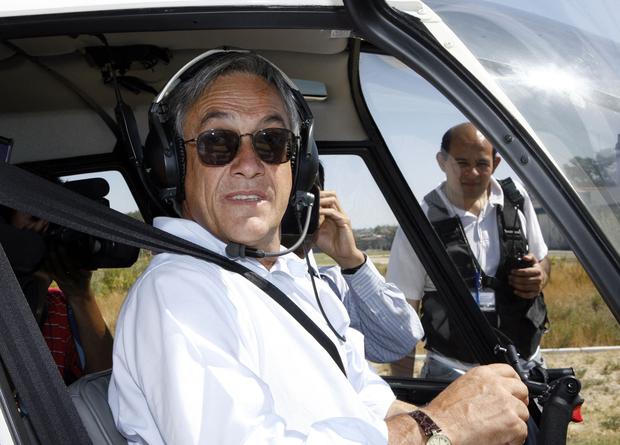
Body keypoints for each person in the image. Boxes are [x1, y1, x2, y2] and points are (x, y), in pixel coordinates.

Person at [109, 52, 529, 445]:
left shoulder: (287, 277)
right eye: (217, 142)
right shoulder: (179, 290)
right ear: (172, 165)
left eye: (271, 141)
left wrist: (473, 417)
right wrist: (443, 425)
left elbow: (370, 400)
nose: (249, 163)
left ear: (299, 163)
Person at [387, 122, 550, 380]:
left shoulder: (517, 200)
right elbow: (402, 313)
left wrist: (539, 275)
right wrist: (406, 390)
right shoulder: (420, 221)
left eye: (482, 164)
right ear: (442, 161)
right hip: (454, 376)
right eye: (461, 163)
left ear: (495, 164)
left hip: (525, 370)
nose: (472, 173)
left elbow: (543, 260)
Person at [287, 162, 424, 363]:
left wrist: (351, 261)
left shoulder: (332, 285)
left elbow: (400, 341)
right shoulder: (232, 280)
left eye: (303, 201)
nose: (293, 213)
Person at [0, 205, 113, 384]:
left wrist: (81, 297)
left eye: (53, 225)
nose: (44, 228)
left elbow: (105, 385)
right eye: (34, 218)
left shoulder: (59, 307)